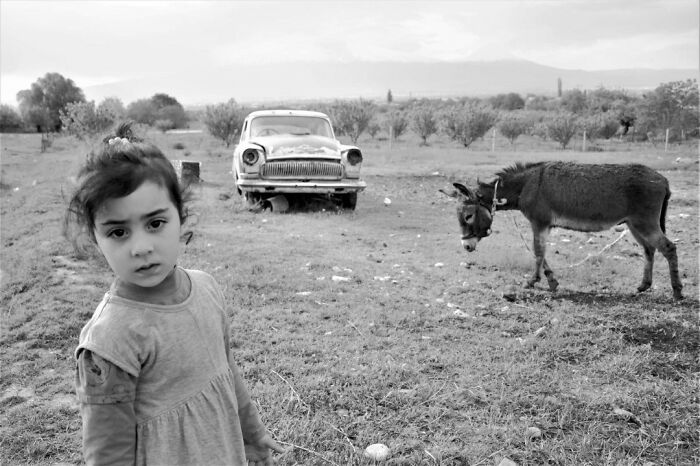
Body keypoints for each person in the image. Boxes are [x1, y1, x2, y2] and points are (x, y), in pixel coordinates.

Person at [64, 122, 286, 465]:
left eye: (155, 224)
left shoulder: (207, 289)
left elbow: (226, 373)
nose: (141, 248)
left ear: (180, 218)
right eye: (118, 231)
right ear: (96, 239)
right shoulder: (109, 342)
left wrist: (251, 434)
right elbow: (108, 452)